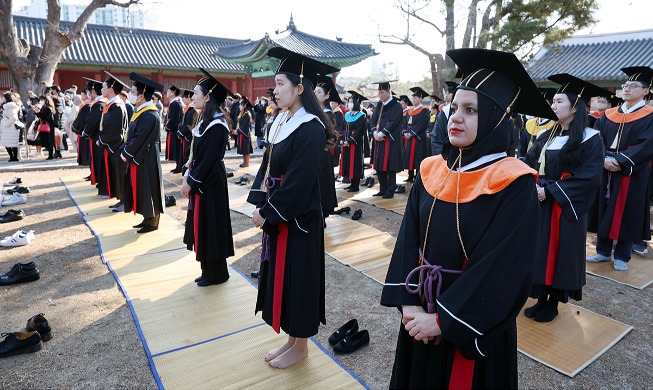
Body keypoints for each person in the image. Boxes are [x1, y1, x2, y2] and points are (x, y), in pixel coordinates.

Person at [380, 48, 555, 389]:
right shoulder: (432, 169)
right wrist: (409, 302)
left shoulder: (514, 183)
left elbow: (504, 270)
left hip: (470, 322)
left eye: (471, 110)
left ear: (496, 118)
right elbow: (408, 239)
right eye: (454, 107)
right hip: (419, 311)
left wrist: (443, 321)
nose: (455, 117)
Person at [247, 47, 338, 369]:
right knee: (282, 281)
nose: (276, 89)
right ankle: (290, 340)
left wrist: (269, 212)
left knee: (299, 283)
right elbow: (268, 167)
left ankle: (302, 347)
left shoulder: (311, 127)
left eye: (281, 83)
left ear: (300, 88)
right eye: (275, 83)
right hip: (280, 213)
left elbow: (298, 183)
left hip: (299, 220)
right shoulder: (283, 120)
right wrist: (259, 200)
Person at [523, 74, 605, 322]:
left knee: (560, 253)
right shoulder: (545, 136)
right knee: (539, 251)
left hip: (563, 205)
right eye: (553, 102)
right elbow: (529, 163)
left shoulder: (590, 138)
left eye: (559, 101)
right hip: (540, 202)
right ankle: (540, 297)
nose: (553, 106)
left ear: (575, 106)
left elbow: (589, 177)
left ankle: (554, 302)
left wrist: (549, 191)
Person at [587, 66, 653, 271]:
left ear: (646, 91)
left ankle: (622, 255)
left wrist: (621, 160)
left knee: (628, 210)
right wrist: (603, 159)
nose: (627, 89)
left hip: (632, 171)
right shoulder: (609, 114)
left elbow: (647, 144)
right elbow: (595, 139)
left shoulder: (650, 115)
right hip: (605, 167)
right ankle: (603, 251)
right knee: (604, 207)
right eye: (626, 85)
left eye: (634, 86)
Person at [181, 69, 235, 286]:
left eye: (195, 93)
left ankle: (218, 273)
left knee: (212, 227)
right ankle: (206, 270)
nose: (192, 97)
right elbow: (195, 156)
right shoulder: (204, 120)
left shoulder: (218, 125)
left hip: (210, 184)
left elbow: (209, 161)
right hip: (202, 181)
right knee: (201, 226)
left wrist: (191, 182)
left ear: (208, 96)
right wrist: (188, 175)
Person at [120, 73, 165, 234]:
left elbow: (140, 139)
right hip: (141, 154)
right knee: (142, 187)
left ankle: (153, 221)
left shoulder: (150, 114)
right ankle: (147, 218)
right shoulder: (141, 111)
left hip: (147, 155)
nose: (131, 94)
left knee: (149, 187)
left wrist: (127, 152)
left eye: (133, 92)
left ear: (141, 96)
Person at [98, 71, 129, 209]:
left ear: (111, 89)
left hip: (116, 146)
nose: (101, 90)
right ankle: (121, 199)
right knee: (116, 175)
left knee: (121, 175)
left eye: (103, 87)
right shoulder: (111, 105)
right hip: (112, 146)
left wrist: (102, 140)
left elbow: (115, 130)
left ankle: (124, 201)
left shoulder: (117, 106)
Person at [370, 80, 403, 198]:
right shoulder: (379, 105)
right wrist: (374, 132)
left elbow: (394, 122)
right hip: (378, 139)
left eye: (383, 92)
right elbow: (373, 119)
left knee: (390, 166)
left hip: (390, 139)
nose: (380, 95)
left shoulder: (397, 105)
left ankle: (390, 190)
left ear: (389, 91)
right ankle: (382, 189)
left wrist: (382, 133)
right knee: (379, 165)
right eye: (379, 92)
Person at [314, 75, 341, 218]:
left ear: (326, 96)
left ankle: (323, 212)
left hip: (323, 153)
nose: (315, 93)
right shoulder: (313, 111)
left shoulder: (328, 114)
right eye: (315, 91)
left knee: (323, 182)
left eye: (319, 92)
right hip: (314, 153)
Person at [82, 78, 108, 195]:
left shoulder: (99, 104)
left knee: (98, 160)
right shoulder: (103, 103)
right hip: (99, 135)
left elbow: (91, 121)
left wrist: (86, 132)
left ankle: (101, 183)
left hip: (97, 136)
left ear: (93, 91)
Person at [339, 90, 368, 192]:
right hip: (346, 143)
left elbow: (360, 131)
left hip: (355, 144)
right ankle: (351, 183)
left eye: (351, 101)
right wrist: (342, 139)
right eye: (349, 101)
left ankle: (355, 185)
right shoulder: (347, 115)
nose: (349, 103)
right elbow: (342, 128)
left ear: (356, 103)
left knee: (355, 163)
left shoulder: (362, 115)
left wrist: (350, 140)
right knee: (347, 162)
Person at [402, 87, 430, 183]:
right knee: (409, 156)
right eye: (413, 98)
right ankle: (410, 176)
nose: (413, 100)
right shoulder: (409, 111)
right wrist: (405, 132)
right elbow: (405, 123)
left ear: (421, 98)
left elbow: (422, 124)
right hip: (409, 138)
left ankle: (417, 177)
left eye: (416, 98)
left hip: (419, 139)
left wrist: (412, 133)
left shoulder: (425, 111)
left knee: (418, 157)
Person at [431, 81, 457, 156]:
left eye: (448, 93)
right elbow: (436, 137)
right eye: (446, 93)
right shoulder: (444, 111)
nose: (446, 95)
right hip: (447, 155)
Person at [72, 85, 93, 168]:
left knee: (87, 151)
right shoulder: (86, 105)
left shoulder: (87, 106)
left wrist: (75, 127)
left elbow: (81, 119)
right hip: (84, 131)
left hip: (84, 132)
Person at [177, 89, 197, 175]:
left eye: (183, 98)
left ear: (189, 97)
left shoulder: (192, 109)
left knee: (188, 156)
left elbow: (188, 124)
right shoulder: (188, 108)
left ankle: (187, 174)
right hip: (186, 137)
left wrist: (181, 133)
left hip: (189, 137)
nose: (183, 100)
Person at [165, 85, 184, 171]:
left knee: (177, 148)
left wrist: (168, 127)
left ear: (173, 93)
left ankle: (179, 166)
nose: (167, 93)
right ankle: (178, 166)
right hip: (173, 129)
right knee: (175, 148)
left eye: (169, 91)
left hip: (175, 129)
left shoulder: (176, 103)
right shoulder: (173, 103)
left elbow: (174, 118)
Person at [32, 94, 56, 160]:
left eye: (42, 100)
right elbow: (41, 116)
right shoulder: (44, 108)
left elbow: (45, 117)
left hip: (48, 125)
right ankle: (50, 155)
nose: (41, 101)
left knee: (49, 140)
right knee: (48, 140)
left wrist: (38, 112)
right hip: (47, 125)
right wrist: (37, 112)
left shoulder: (48, 108)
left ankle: (51, 155)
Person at [1, 92, 21, 162]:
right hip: (8, 128)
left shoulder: (11, 107)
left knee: (12, 143)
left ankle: (14, 157)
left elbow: (14, 118)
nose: (2, 98)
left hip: (10, 127)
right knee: (9, 143)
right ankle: (12, 157)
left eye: (3, 97)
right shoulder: (8, 106)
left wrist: (6, 124)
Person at [235, 96, 254, 167]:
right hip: (241, 133)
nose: (239, 106)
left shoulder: (247, 114)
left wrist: (238, 130)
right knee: (243, 149)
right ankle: (244, 162)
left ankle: (247, 163)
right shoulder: (241, 113)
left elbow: (245, 125)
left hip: (245, 134)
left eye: (241, 105)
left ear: (245, 105)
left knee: (246, 150)